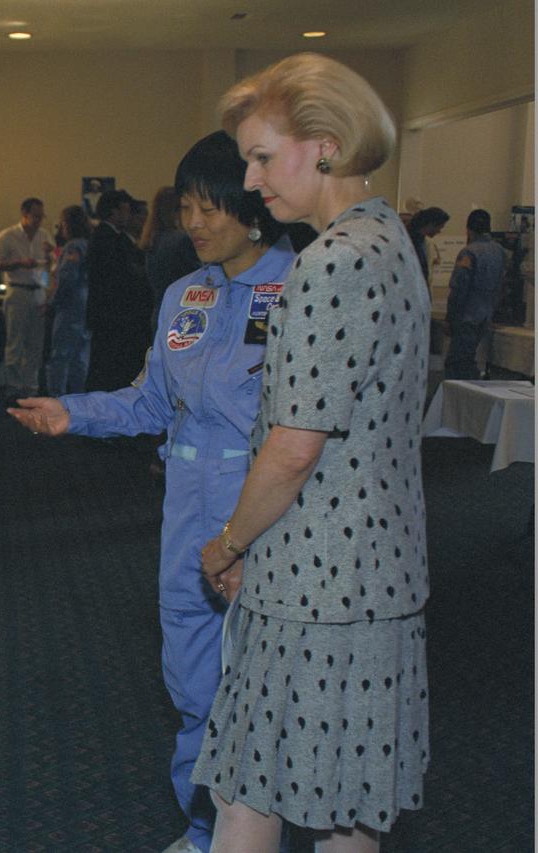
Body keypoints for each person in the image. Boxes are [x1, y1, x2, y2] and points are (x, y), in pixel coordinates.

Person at [9, 131, 293, 853]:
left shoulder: (299, 286)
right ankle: (203, 830)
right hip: (184, 512)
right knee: (192, 685)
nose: (193, 222)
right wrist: (75, 412)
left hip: (263, 514)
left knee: (262, 692)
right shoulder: (183, 294)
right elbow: (149, 402)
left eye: (208, 207)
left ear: (249, 205)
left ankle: (260, 834)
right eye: (188, 207)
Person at [194, 53, 430, 853]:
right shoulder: (391, 237)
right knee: (347, 807)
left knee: (246, 795)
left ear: (325, 144)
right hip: (378, 573)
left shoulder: (327, 263)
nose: (252, 182)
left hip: (311, 583)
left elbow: (294, 449)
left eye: (263, 156)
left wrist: (228, 544)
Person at [86, 189, 153, 391]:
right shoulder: (108, 238)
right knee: (108, 366)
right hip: (112, 313)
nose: (129, 215)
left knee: (107, 364)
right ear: (114, 212)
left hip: (110, 313)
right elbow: (118, 277)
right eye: (125, 211)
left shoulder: (109, 237)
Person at [0, 197, 54, 397]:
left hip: (38, 290)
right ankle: (14, 387)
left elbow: (50, 266)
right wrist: (18, 263)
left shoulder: (45, 236)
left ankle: (31, 385)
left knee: (36, 342)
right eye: (35, 216)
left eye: (41, 216)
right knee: (15, 340)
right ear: (24, 214)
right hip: (18, 289)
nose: (39, 221)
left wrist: (51, 259)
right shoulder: (8, 236)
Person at [444, 208, 506, 379]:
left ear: (469, 229)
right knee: (471, 359)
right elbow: (502, 284)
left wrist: (450, 318)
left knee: (456, 364)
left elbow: (459, 288)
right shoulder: (499, 251)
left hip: (466, 316)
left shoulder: (469, 252)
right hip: (486, 315)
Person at [44, 205, 94, 395]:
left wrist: (53, 303)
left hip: (71, 306)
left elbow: (67, 278)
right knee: (80, 358)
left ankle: (57, 398)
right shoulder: (89, 244)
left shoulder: (73, 247)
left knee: (61, 356)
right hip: (86, 303)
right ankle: (77, 398)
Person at [140, 185, 201, 328]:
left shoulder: (152, 240)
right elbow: (198, 279)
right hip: (181, 314)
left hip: (160, 311)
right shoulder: (181, 240)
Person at [406, 206, 449, 284]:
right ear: (431, 224)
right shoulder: (410, 241)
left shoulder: (422, 241)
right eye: (440, 227)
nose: (439, 231)